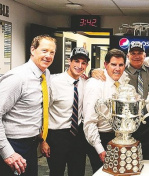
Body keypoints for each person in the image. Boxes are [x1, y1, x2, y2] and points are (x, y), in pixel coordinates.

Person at [0, 35, 56, 175]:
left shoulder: (46, 74)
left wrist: (41, 139)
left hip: (31, 144)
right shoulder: (17, 78)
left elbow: (37, 110)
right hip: (12, 144)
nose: (48, 56)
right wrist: (7, 153)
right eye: (44, 50)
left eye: (52, 52)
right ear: (33, 50)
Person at [40, 47, 89, 176]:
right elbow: (42, 112)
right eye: (76, 61)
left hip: (78, 134)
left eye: (83, 63)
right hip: (57, 136)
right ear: (69, 61)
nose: (79, 66)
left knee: (78, 172)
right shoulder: (54, 82)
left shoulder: (85, 82)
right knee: (56, 172)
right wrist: (43, 140)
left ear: (87, 65)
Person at [83, 48, 127, 173]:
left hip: (117, 136)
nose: (117, 69)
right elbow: (89, 121)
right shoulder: (95, 85)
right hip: (99, 136)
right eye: (113, 64)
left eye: (121, 65)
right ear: (105, 65)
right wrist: (99, 149)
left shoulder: (123, 80)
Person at [126, 42, 149, 160]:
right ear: (128, 55)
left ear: (145, 55)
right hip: (129, 120)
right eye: (133, 53)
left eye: (140, 53)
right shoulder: (122, 72)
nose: (137, 56)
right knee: (130, 155)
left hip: (148, 119)